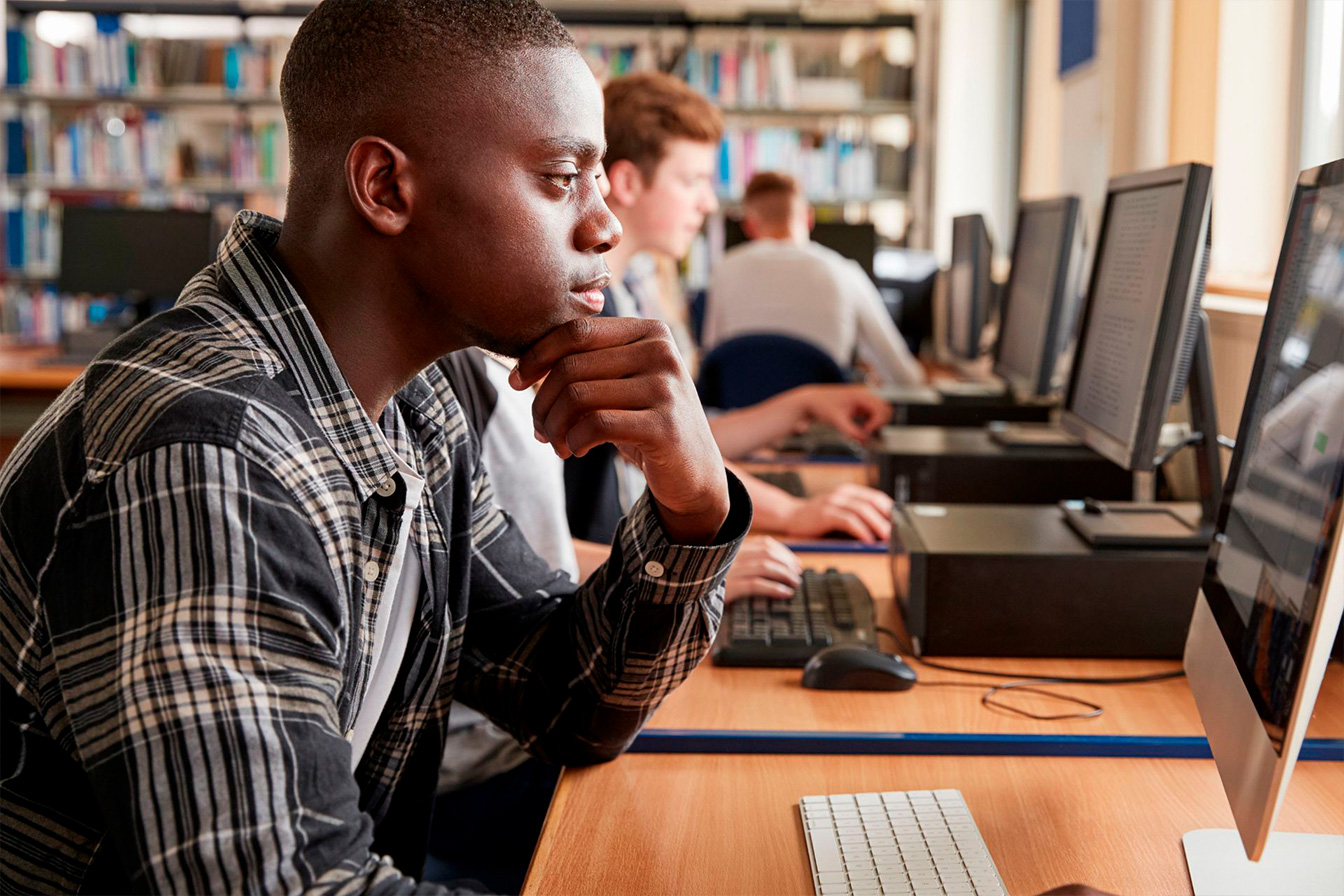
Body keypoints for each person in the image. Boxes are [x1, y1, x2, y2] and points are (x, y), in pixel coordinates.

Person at [0, 2, 751, 892]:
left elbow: (569, 696)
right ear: (387, 189)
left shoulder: (413, 408)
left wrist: (694, 504)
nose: (605, 226)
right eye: (560, 177)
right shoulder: (206, 453)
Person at [570, 70, 897, 550]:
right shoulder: (593, 312)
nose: (707, 202)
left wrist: (802, 403)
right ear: (627, 182)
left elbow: (683, 441)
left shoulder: (626, 290)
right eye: (693, 180)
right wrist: (792, 513)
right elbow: (667, 450)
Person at [704, 171, 926, 388]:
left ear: (748, 226)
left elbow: (711, 357)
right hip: (825, 422)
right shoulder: (845, 272)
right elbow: (904, 376)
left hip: (742, 421)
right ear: (808, 218)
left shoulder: (723, 270)